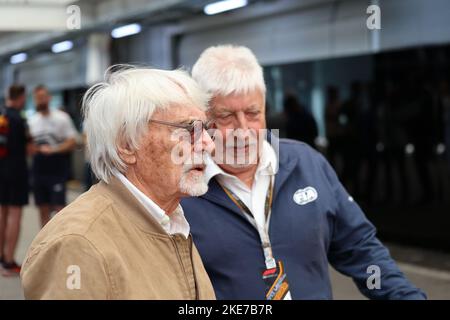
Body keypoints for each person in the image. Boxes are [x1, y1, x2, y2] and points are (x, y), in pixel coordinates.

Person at [181, 45, 426, 300]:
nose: (243, 130)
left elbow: (360, 248)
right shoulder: (181, 190)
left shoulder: (306, 163)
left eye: (253, 114)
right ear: (202, 118)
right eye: (226, 117)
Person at [20, 66, 216, 300]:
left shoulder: (171, 222)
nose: (209, 144)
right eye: (188, 129)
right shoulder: (77, 245)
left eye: (205, 129)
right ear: (127, 145)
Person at [28, 85, 77, 227]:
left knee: (59, 209)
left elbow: (72, 142)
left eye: (43, 97)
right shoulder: (32, 121)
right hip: (39, 169)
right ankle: (44, 246)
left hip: (57, 169)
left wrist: (54, 149)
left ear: (49, 98)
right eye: (38, 98)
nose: (41, 101)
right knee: (42, 210)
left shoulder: (62, 118)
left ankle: (61, 242)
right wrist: (34, 149)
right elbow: (29, 146)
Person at [0, 84, 30, 276]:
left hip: (1, 171)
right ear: (20, 97)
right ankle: (9, 262)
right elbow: (29, 148)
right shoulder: (19, 119)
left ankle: (2, 257)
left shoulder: (2, 117)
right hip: (17, 172)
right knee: (15, 215)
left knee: (2, 214)